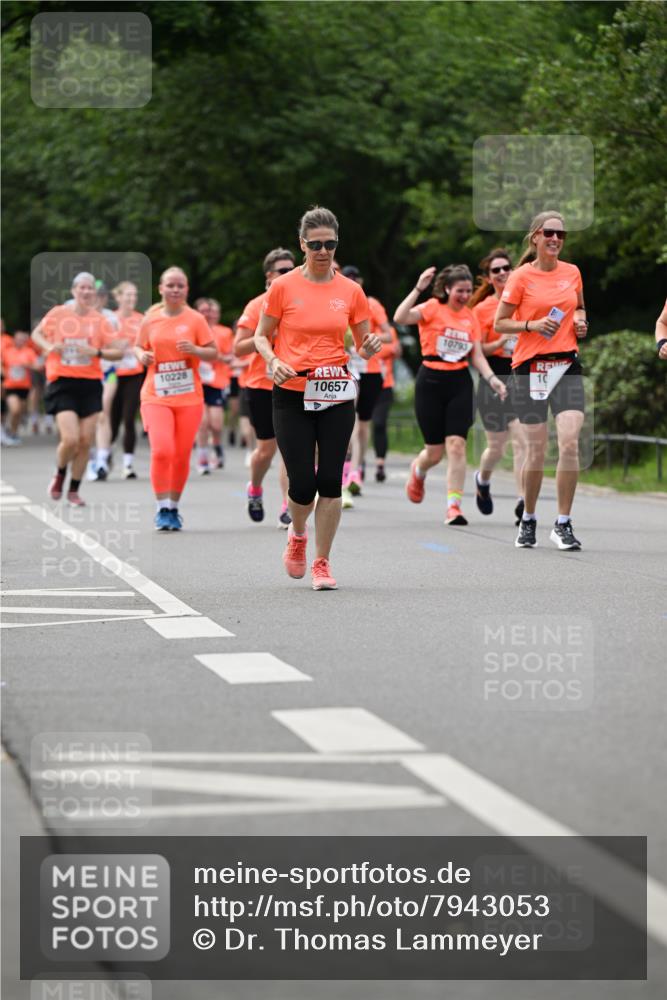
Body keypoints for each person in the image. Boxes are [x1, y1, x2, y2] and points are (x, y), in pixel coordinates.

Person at [254, 206, 381, 590]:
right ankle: (297, 535)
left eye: (330, 244)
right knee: (301, 484)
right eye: (315, 245)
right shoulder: (283, 287)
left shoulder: (351, 291)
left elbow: (363, 344)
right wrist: (273, 359)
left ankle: (322, 563)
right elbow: (261, 335)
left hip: (335, 391)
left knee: (330, 481)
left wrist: (371, 346)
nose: (323, 251)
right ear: (302, 244)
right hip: (292, 392)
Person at [495, 210, 588, 550]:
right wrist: (531, 326)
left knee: (569, 443)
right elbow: (499, 323)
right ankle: (529, 519)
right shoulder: (520, 277)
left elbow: (579, 307)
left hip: (566, 365)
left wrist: (580, 322)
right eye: (549, 233)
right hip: (530, 367)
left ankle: (562, 523)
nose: (555, 239)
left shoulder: (572, 272)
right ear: (535, 236)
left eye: (561, 235)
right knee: (536, 449)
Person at [394, 264, 507, 525]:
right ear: (447, 289)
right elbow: (400, 317)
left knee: (456, 446)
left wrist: (492, 380)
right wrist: (418, 288)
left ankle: (453, 506)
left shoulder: (470, 317)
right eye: (460, 290)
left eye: (468, 291)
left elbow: (477, 355)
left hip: (459, 381)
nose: (465, 295)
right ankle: (418, 470)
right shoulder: (433, 307)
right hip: (430, 381)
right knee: (434, 453)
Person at [31, 272, 123, 505]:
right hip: (62, 382)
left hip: (90, 384)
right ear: (73, 291)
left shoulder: (100, 321)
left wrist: (98, 353)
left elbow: (118, 352)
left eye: (90, 288)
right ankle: (60, 473)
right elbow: (37, 334)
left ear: (94, 293)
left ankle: (74, 490)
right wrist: (51, 346)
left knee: (85, 440)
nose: (86, 292)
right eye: (81, 288)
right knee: (70, 439)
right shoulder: (59, 313)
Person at [135, 267, 216, 530]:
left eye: (180, 285)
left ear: (187, 289)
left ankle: (173, 508)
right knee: (162, 450)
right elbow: (138, 346)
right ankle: (161, 508)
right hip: (155, 395)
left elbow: (213, 352)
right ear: (160, 288)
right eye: (170, 285)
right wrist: (141, 356)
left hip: (188, 397)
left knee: (181, 455)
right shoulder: (151, 319)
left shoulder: (195, 320)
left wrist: (195, 350)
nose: (175, 289)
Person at [233, 247, 294, 526]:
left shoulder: (299, 302)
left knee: (290, 447)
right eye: (284, 270)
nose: (290, 274)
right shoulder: (256, 305)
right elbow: (238, 348)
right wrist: (264, 340)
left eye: (293, 269)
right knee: (266, 450)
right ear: (270, 275)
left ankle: (287, 506)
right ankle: (255, 488)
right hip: (260, 385)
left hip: (293, 383)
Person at [470, 249, 528, 523]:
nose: (503, 273)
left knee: (522, 441)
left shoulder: (524, 301)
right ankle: (482, 479)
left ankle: (522, 501)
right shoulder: (481, 309)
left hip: (520, 375)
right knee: (497, 447)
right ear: (489, 277)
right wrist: (502, 341)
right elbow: (478, 349)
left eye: (507, 267)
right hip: (492, 376)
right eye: (497, 270)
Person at [340, 265, 393, 496]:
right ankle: (348, 469)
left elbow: (388, 334)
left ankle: (357, 468)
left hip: (370, 369)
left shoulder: (372, 304)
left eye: (356, 278)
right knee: (349, 419)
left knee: (363, 424)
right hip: (346, 367)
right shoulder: (336, 301)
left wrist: (365, 339)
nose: (353, 282)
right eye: (348, 278)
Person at [109, 281, 144, 479]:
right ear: (118, 297)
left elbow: (148, 344)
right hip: (113, 374)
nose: (131, 299)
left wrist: (137, 350)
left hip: (134, 374)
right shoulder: (110, 319)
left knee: (129, 418)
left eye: (134, 295)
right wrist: (117, 348)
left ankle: (128, 464)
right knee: (112, 420)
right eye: (128, 295)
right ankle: (106, 455)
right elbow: (102, 342)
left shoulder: (141, 319)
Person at [194, 297, 233, 474]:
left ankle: (217, 447)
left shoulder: (223, 332)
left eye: (209, 311)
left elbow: (229, 356)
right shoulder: (192, 330)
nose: (207, 314)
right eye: (203, 311)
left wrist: (215, 357)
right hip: (198, 381)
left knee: (216, 424)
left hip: (217, 380)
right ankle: (202, 458)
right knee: (202, 422)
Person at [89, 281, 121, 480]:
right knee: (90, 418)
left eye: (100, 296)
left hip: (107, 371)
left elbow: (116, 346)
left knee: (103, 412)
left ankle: (102, 459)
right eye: (94, 295)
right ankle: (92, 454)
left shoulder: (111, 318)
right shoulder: (78, 316)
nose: (97, 299)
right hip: (85, 372)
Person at [372, 325, 402, 482]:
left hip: (385, 385)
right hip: (364, 384)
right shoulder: (359, 326)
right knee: (357, 427)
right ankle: (357, 464)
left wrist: (379, 351)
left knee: (379, 423)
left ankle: (380, 464)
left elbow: (397, 350)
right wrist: (386, 350)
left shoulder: (388, 331)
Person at [1, 331, 39, 444]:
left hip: (24, 386)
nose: (20, 341)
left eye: (22, 339)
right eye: (18, 339)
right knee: (15, 409)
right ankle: (8, 429)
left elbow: (38, 366)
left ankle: (13, 431)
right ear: (14, 340)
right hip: (10, 386)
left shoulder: (29, 352)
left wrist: (28, 365)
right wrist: (4, 373)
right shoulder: (7, 351)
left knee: (19, 412)